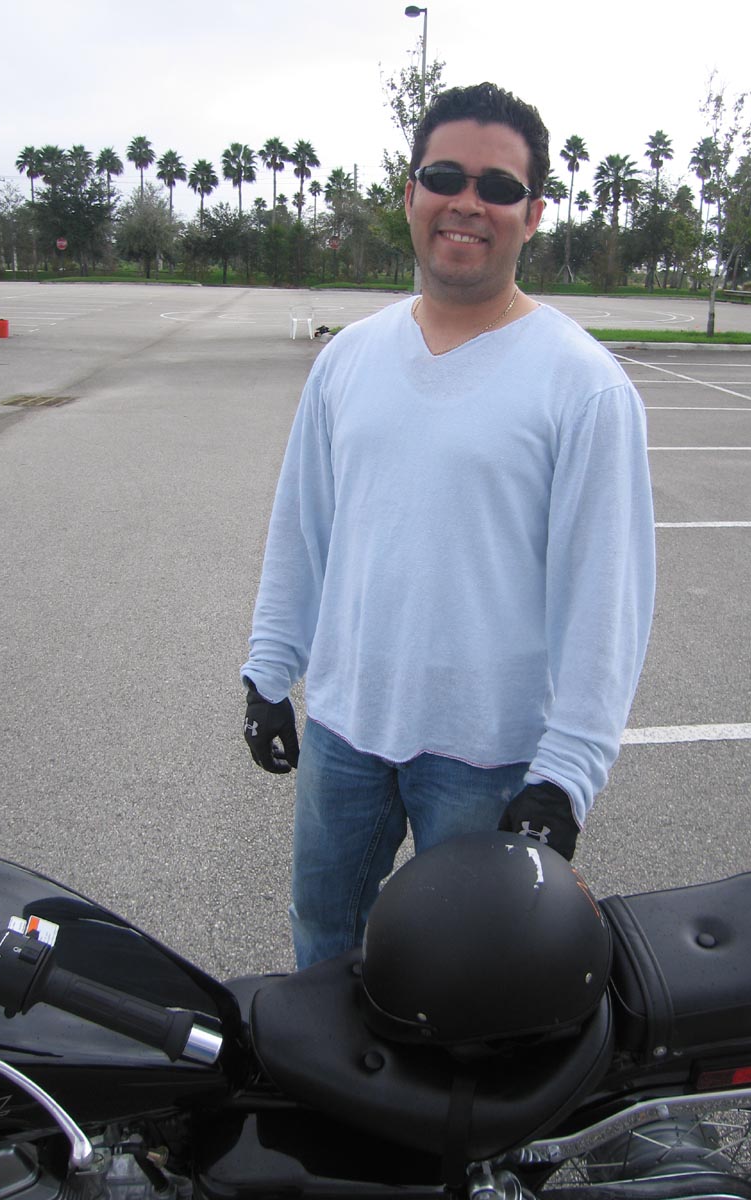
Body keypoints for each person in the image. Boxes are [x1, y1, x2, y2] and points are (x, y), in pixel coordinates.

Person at [242, 82, 655, 969]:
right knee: (322, 941)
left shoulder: (584, 387)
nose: (469, 202)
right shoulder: (348, 359)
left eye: (499, 187)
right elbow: (304, 528)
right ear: (411, 194)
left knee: (463, 978)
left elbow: (605, 601)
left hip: (489, 754)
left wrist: (566, 777)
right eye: (445, 177)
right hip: (346, 727)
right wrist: (269, 671)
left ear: (532, 214)